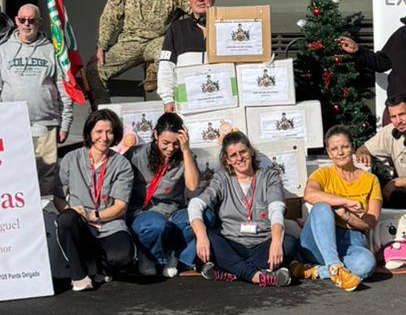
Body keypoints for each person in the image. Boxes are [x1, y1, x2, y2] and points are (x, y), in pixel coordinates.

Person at [0, 2, 82, 196]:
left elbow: (64, 88)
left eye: (32, 20)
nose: (27, 24)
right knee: (12, 173)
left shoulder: (52, 51)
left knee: (45, 174)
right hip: (10, 126)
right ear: (16, 21)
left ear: (39, 22)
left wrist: (65, 123)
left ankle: (44, 213)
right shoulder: (3, 51)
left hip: (45, 124)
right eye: (22, 20)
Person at [188, 132, 297, 287]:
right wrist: (201, 236)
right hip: (231, 244)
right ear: (227, 160)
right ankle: (257, 276)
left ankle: (229, 272)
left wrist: (276, 242)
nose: (239, 158)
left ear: (250, 152)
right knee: (209, 237)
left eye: (242, 152)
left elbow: (276, 210)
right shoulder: (222, 179)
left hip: (262, 244)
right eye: (233, 155)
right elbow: (195, 204)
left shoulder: (270, 177)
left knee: (289, 243)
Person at [93, 0, 191, 100]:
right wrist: (102, 45)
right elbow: (110, 16)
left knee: (168, 63)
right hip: (130, 42)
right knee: (94, 71)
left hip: (158, 41)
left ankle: (172, 112)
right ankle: (102, 115)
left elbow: (196, 5)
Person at [55, 109, 138, 290]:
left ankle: (103, 266)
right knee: (66, 219)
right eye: (99, 132)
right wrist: (71, 210)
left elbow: (120, 206)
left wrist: (93, 215)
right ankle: (79, 276)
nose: (105, 137)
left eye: (109, 132)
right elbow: (58, 198)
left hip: (109, 225)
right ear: (89, 133)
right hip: (81, 224)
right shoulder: (71, 159)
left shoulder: (122, 164)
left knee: (122, 257)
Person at [297, 127, 380, 289]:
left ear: (353, 147)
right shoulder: (323, 174)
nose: (340, 152)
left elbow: (370, 222)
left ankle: (316, 270)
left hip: (352, 239)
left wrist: (346, 216)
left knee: (366, 265)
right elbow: (309, 194)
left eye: (345, 147)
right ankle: (335, 266)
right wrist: (344, 202)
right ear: (328, 152)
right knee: (321, 207)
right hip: (318, 239)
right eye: (334, 149)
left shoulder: (371, 180)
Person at [126, 113, 202, 276]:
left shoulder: (184, 155)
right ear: (155, 135)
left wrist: (186, 150)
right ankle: (149, 255)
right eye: (165, 143)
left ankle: (175, 255)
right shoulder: (136, 154)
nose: (170, 149)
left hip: (174, 212)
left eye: (175, 144)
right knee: (155, 225)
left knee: (203, 217)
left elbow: (193, 185)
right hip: (145, 212)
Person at [157, 0, 215, 111]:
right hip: (187, 104)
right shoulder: (177, 29)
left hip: (219, 101)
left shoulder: (225, 25)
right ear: (189, 0)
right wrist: (167, 99)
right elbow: (166, 66)